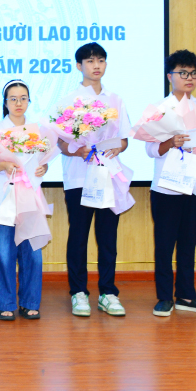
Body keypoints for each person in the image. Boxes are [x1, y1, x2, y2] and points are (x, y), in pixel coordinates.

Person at [145, 50, 196, 317]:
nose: (189, 78)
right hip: (167, 187)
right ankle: (165, 297)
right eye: (183, 73)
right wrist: (170, 142)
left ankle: (187, 296)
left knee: (188, 243)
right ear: (170, 76)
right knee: (165, 244)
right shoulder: (159, 109)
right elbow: (150, 151)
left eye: (193, 73)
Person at [58, 42, 131, 318]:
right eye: (90, 61)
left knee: (107, 236)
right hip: (79, 177)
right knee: (78, 236)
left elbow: (124, 139)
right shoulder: (68, 101)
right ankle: (78, 292)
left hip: (107, 174)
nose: (96, 65)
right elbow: (61, 143)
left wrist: (118, 146)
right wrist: (77, 149)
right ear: (79, 66)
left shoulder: (115, 100)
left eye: (100, 60)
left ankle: (108, 293)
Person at [0, 79, 47, 321]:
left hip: (30, 198)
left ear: (29, 101)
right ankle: (6, 303)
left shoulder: (37, 130)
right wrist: (4, 165)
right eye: (13, 99)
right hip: (3, 198)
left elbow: (43, 161)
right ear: (5, 102)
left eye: (23, 98)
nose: (18, 103)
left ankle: (30, 302)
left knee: (32, 252)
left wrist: (44, 167)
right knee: (4, 253)